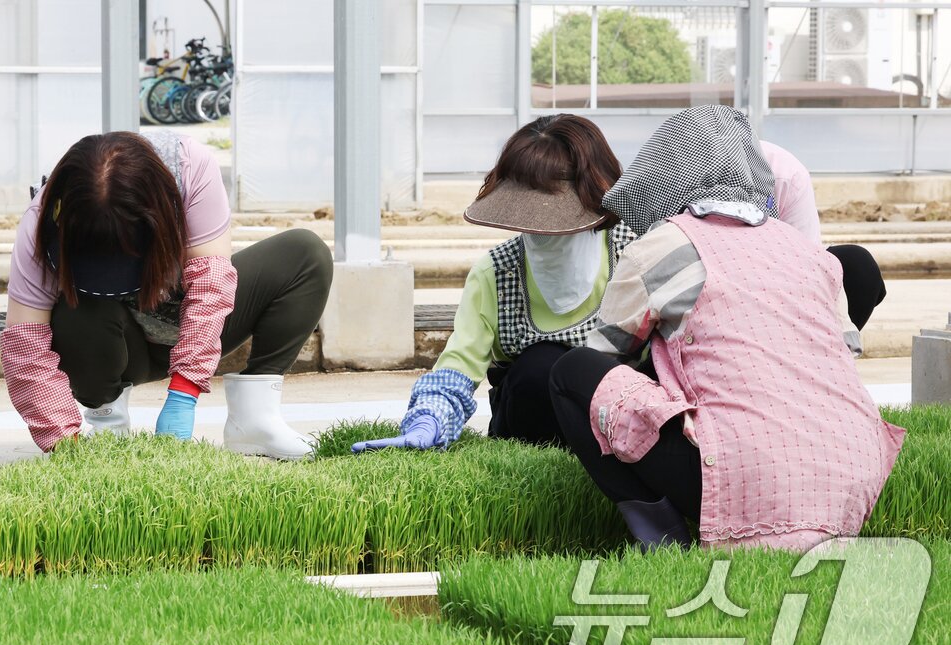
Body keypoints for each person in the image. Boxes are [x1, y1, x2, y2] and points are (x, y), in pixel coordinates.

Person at [549, 105, 904, 551]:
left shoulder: (659, 247)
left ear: (661, 178)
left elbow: (609, 354)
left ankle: (662, 537)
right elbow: (841, 351)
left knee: (573, 372)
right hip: (853, 474)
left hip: (744, 475)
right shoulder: (804, 250)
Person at [0, 130, 331, 459]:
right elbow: (25, 345)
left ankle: (255, 420)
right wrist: (63, 442)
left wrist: (184, 393)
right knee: (73, 310)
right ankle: (107, 421)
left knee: (304, 253)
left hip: (189, 324)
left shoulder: (190, 168)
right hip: (120, 347)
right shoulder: (42, 220)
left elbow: (209, 286)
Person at [352, 114, 633, 453]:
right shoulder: (496, 273)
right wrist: (429, 419)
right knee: (541, 365)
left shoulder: (634, 255)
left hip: (623, 419)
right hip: (531, 420)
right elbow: (460, 361)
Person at [761, 140, 886, 331]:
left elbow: (806, 260)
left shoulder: (784, 171)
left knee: (857, 265)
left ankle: (821, 353)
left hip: (773, 279)